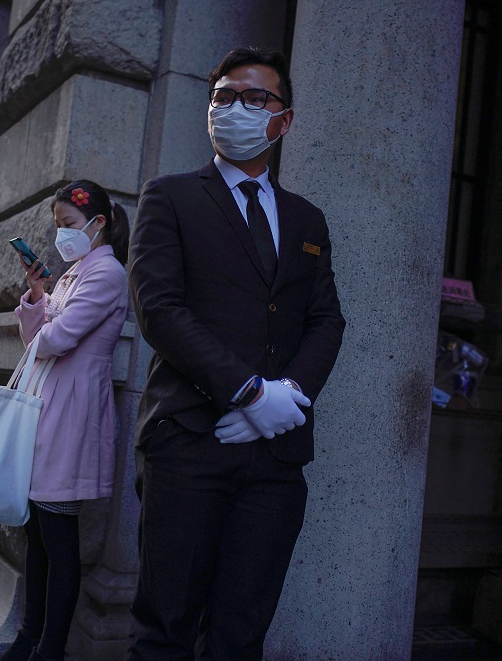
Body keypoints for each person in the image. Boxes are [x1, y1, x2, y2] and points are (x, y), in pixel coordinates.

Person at [126, 47, 346, 659]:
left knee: (240, 633)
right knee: (164, 629)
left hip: (276, 457)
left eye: (256, 99)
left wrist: (288, 398)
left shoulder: (306, 219)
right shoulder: (169, 196)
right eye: (224, 96)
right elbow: (160, 311)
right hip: (189, 441)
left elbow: (326, 319)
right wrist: (249, 393)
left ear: (285, 120)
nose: (234, 109)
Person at [0, 180, 131, 661]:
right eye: (57, 225)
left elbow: (57, 340)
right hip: (46, 403)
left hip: (71, 412)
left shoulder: (107, 273)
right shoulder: (75, 274)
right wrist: (38, 293)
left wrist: (46, 321)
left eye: (69, 224)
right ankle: (29, 637)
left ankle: (49, 648)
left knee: (58, 536)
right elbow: (36, 335)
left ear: (98, 223)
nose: (61, 234)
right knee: (36, 533)